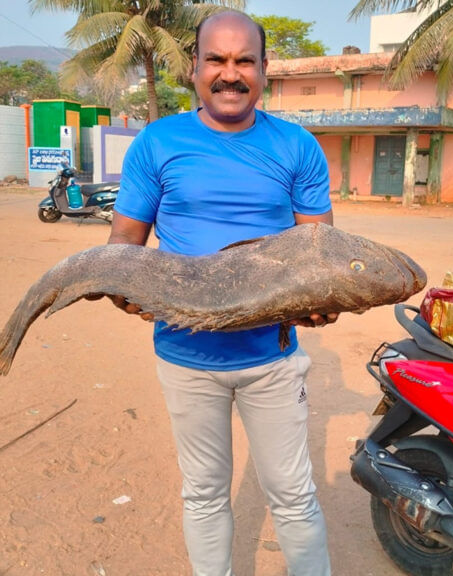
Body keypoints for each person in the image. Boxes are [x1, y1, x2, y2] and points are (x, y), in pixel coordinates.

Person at [102, 10, 334, 575]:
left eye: (243, 61)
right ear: (195, 67)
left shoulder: (298, 146)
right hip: (185, 357)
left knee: (293, 492)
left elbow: (319, 253)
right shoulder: (158, 142)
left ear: (263, 69)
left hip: (271, 359)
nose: (230, 74)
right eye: (217, 60)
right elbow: (123, 246)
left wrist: (326, 299)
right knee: (204, 492)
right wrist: (124, 291)